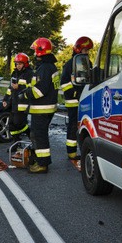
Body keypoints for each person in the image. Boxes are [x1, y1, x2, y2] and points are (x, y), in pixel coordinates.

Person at [60, 36, 93, 169]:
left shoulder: (87, 63)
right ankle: (72, 153)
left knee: (84, 127)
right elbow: (64, 84)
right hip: (73, 101)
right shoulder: (69, 65)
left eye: (88, 50)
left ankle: (83, 150)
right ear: (78, 49)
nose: (87, 53)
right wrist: (75, 93)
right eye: (85, 50)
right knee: (73, 126)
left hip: (84, 100)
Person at [26, 37, 59, 173]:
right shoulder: (49, 66)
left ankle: (42, 164)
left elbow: (40, 90)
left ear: (40, 51)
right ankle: (41, 161)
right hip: (46, 107)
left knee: (39, 135)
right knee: (39, 134)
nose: (34, 54)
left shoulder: (45, 68)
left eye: (35, 51)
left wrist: (26, 93)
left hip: (42, 108)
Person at [2, 52, 32, 141]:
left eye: (20, 64)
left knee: (19, 124)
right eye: (17, 64)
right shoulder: (14, 73)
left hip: (23, 104)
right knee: (11, 125)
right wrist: (5, 99)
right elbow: (10, 88)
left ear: (25, 64)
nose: (18, 66)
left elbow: (31, 88)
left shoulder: (29, 74)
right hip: (14, 103)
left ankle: (34, 141)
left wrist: (19, 87)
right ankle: (16, 144)